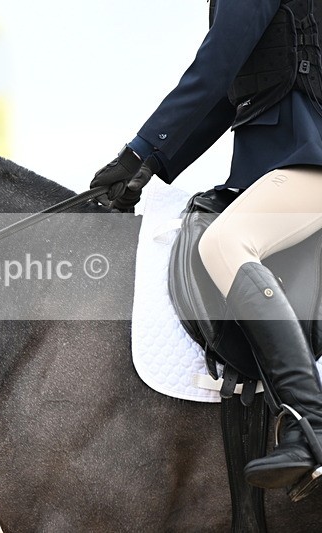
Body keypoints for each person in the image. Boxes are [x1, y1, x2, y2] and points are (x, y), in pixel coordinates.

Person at [90, 0, 322, 493]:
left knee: (226, 242)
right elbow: (226, 91)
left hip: (309, 161)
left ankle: (312, 426)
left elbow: (216, 65)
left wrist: (140, 151)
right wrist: (146, 164)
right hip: (288, 163)